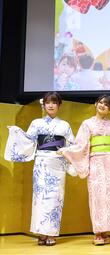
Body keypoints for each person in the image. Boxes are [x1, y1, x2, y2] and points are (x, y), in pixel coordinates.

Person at [4, 92, 75, 246]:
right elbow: (28, 140)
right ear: (43, 105)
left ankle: (51, 233)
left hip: (58, 163)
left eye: (54, 102)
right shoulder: (36, 123)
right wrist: (16, 132)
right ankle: (41, 233)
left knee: (56, 198)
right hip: (41, 163)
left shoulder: (65, 125)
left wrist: (66, 152)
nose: (50, 105)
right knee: (40, 198)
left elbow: (72, 145)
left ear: (59, 105)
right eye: (48, 102)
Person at [58, 95, 110, 245]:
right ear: (95, 104)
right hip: (96, 161)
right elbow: (81, 145)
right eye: (101, 102)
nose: (103, 106)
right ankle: (98, 232)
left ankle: (106, 231)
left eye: (107, 104)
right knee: (97, 195)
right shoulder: (87, 124)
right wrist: (67, 151)